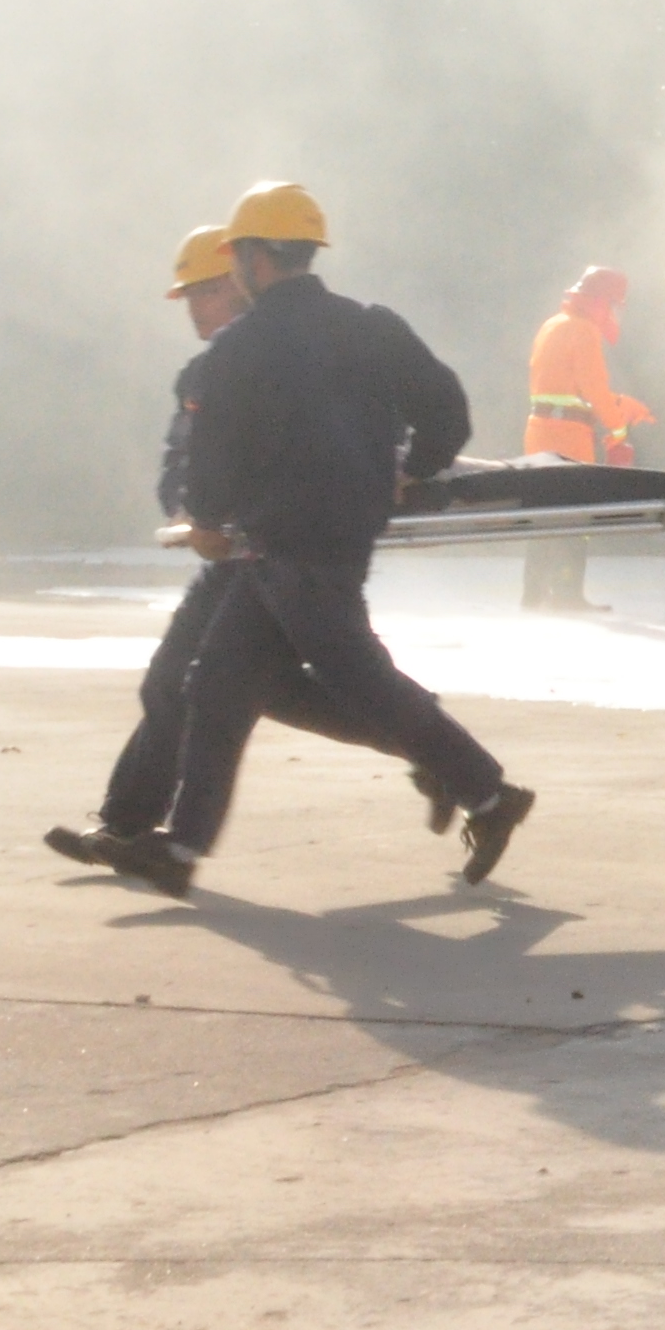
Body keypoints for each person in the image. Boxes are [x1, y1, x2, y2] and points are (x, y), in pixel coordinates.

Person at [105, 183, 531, 897]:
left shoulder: (241, 348)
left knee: (356, 679)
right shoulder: (369, 324)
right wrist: (412, 470)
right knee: (215, 684)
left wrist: (206, 523)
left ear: (254, 258)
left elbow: (212, 459)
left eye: (237, 253)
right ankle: (179, 852)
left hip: (285, 545)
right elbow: (447, 410)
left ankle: (490, 794)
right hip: (334, 538)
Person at [48, 225, 442, 874]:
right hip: (238, 555)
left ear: (238, 282)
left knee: (249, 688)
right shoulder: (207, 368)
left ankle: (444, 757)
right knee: (215, 687)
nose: (195, 309)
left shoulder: (283, 351)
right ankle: (129, 825)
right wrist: (188, 509)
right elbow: (183, 461)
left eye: (204, 291)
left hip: (271, 551)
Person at [519, 264, 653, 611]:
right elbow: (593, 388)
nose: (611, 313)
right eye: (611, 304)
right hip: (569, 436)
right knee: (576, 514)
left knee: (542, 512)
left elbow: (567, 386)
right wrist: (619, 429)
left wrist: (618, 405)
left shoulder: (552, 325)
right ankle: (567, 596)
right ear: (599, 302)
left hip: (539, 431)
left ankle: (533, 595)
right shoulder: (583, 331)